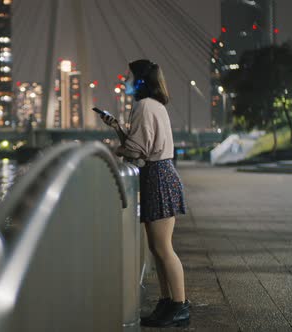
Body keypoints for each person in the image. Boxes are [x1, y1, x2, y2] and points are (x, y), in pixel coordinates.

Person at [98, 59, 189, 328]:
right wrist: (117, 128)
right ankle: (167, 302)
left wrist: (116, 152)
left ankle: (180, 306)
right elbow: (142, 143)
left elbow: (137, 149)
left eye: (128, 77)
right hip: (158, 175)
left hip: (158, 178)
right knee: (156, 247)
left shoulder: (144, 105)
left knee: (163, 247)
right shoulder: (153, 105)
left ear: (139, 80)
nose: (125, 80)